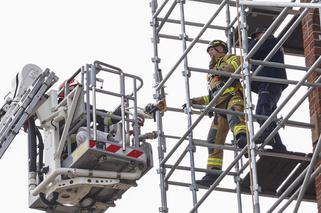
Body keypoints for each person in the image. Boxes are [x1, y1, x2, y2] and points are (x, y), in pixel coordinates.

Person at [189, 40, 248, 187]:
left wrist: (219, 70)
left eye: (212, 50)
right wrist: (195, 101)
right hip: (219, 107)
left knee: (236, 120)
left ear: (221, 48)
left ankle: (244, 140)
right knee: (213, 140)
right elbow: (212, 96)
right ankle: (213, 173)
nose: (210, 54)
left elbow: (233, 68)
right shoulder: (211, 74)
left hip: (233, 98)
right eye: (209, 52)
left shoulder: (231, 58)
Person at [249, 27, 287, 151]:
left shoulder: (271, 42)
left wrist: (250, 43)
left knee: (262, 109)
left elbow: (251, 51)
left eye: (257, 36)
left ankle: (268, 136)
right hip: (267, 82)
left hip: (271, 80)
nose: (256, 39)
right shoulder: (266, 47)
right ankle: (278, 144)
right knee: (268, 114)